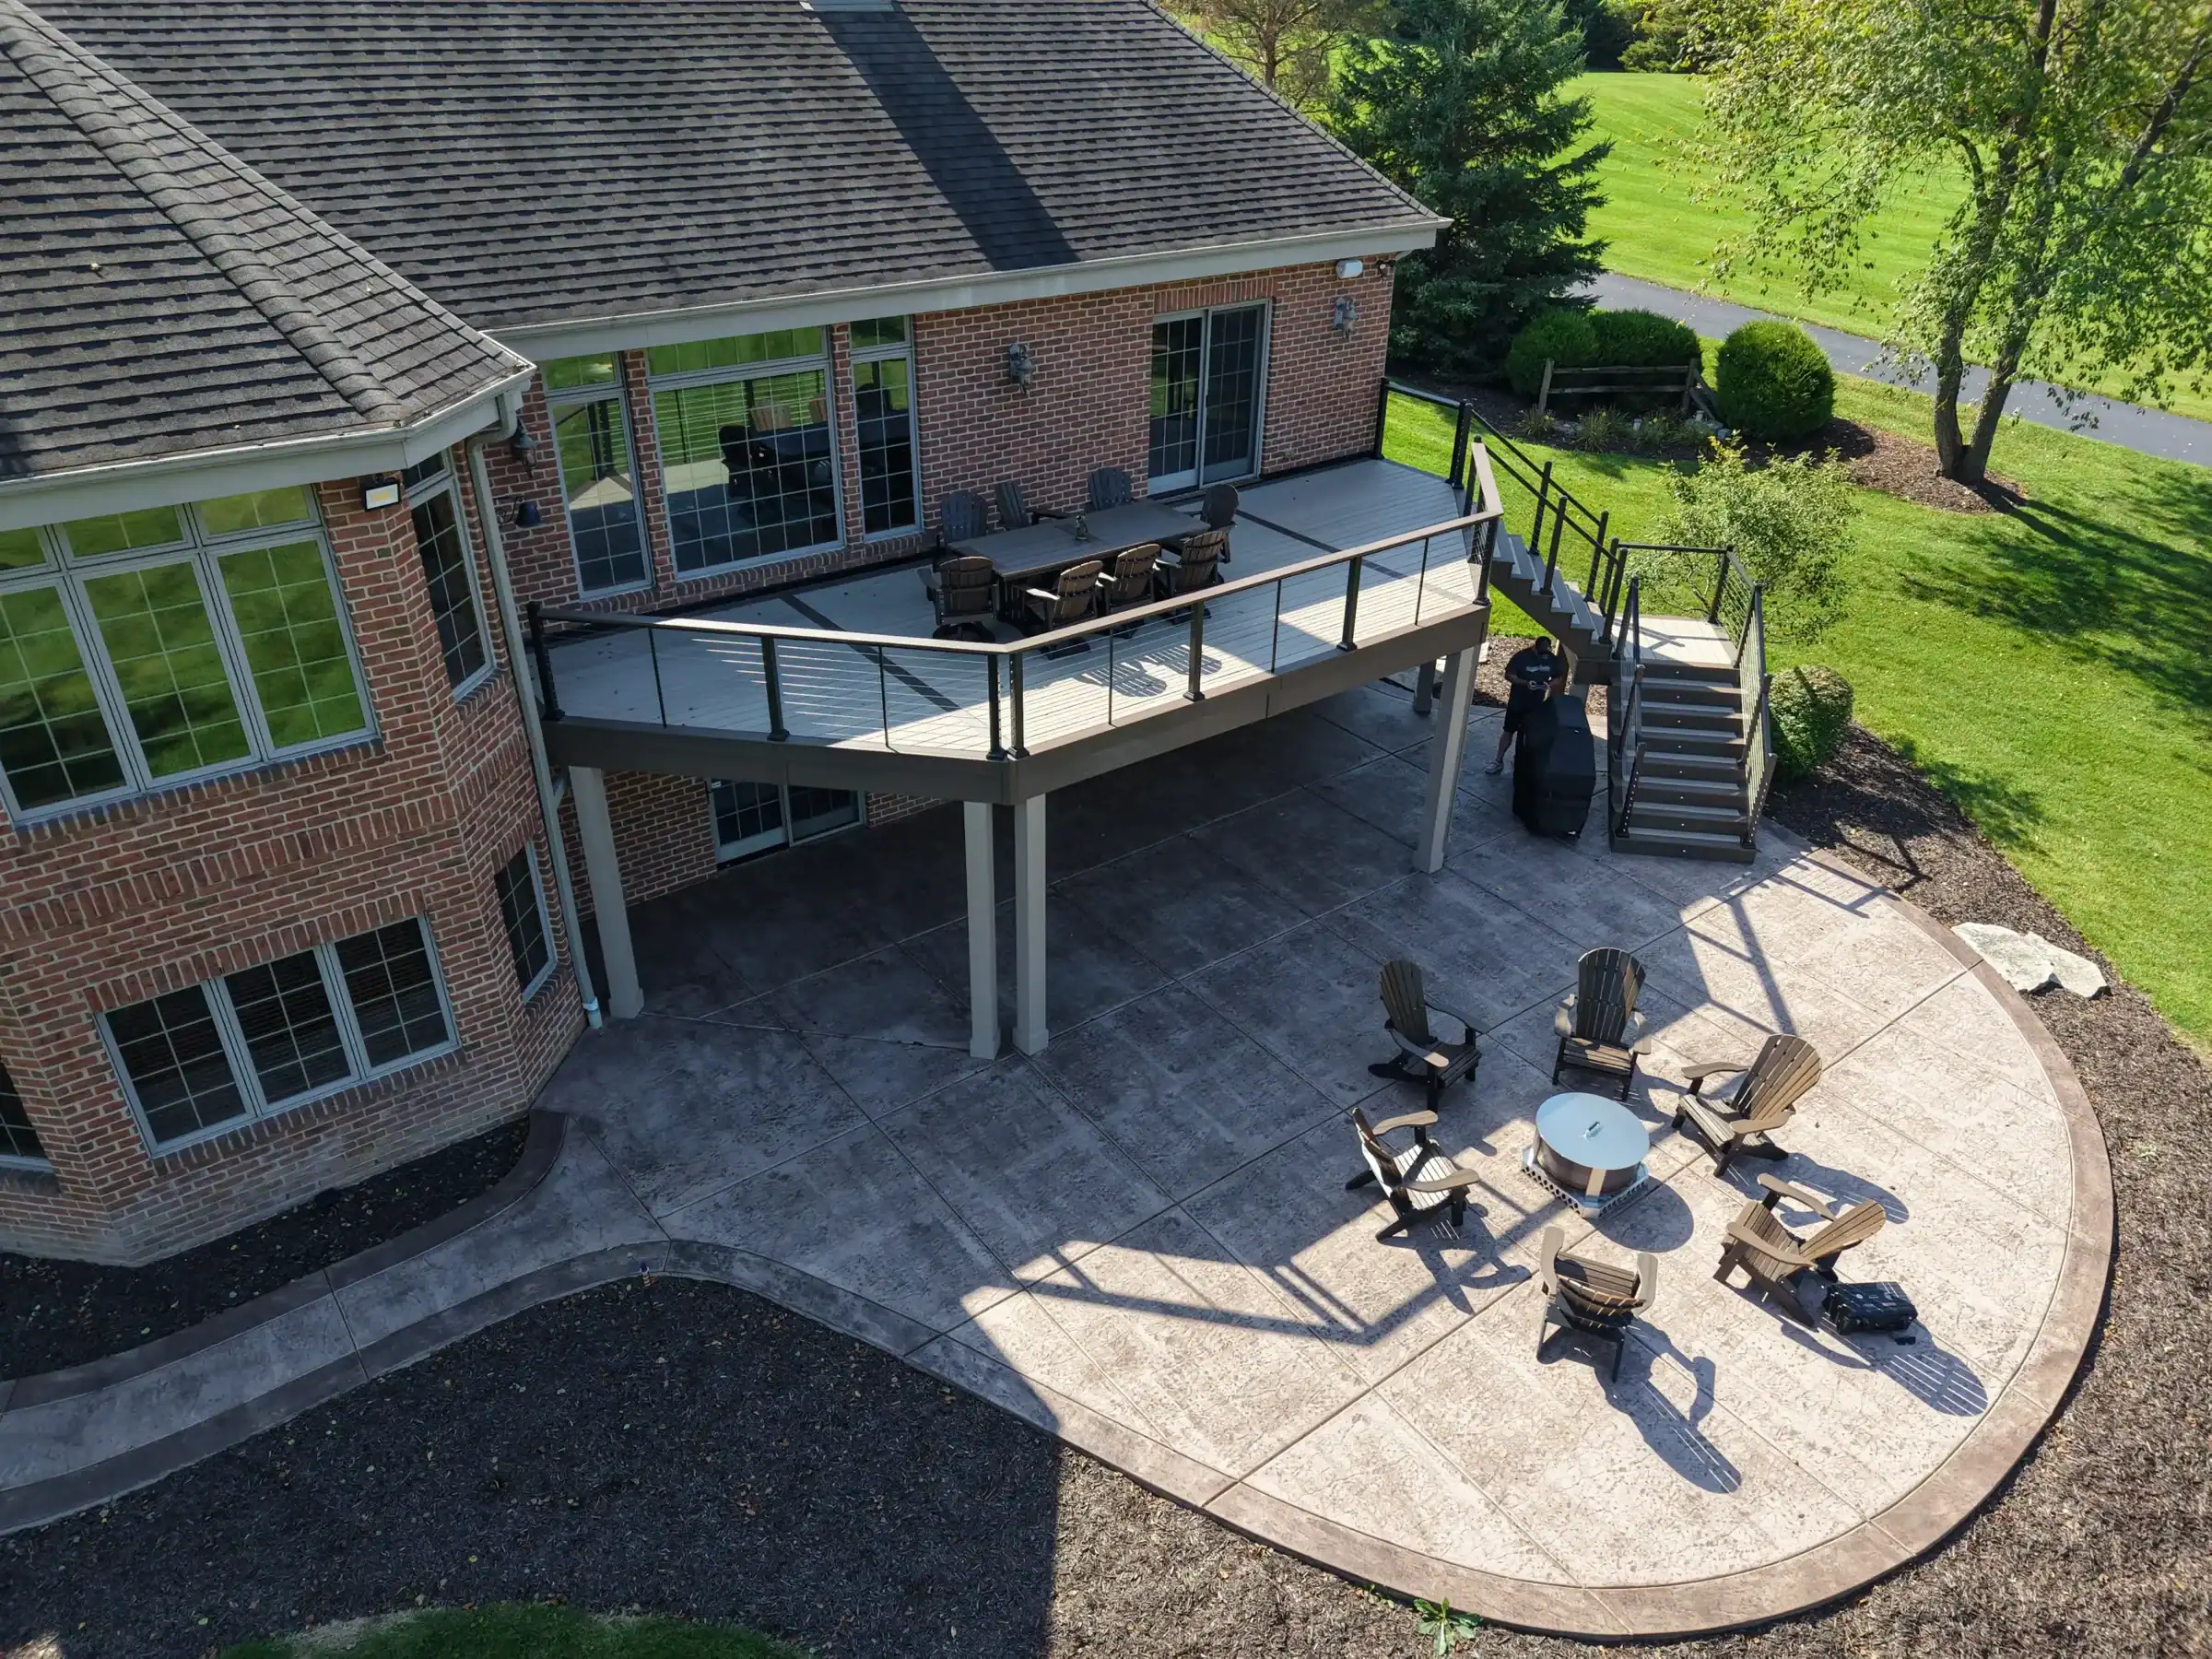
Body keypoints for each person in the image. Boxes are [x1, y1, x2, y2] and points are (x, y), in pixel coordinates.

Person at [1485, 637, 1561, 774]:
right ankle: (1498, 761)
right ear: (1535, 648)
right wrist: (1525, 683)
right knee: (1508, 731)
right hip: (1517, 702)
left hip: (1536, 705)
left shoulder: (1551, 659)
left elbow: (1558, 677)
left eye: (1546, 653)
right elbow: (1509, 675)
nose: (1544, 657)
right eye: (1541, 654)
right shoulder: (1522, 657)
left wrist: (1548, 685)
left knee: (1529, 735)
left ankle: (1519, 761)